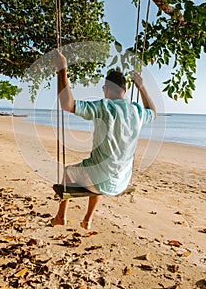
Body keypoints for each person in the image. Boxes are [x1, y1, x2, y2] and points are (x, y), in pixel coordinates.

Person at [51, 51, 156, 230]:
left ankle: (61, 216)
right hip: (121, 181)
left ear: (106, 89)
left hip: (100, 180)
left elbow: (67, 105)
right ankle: (88, 219)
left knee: (70, 172)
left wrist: (62, 70)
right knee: (97, 166)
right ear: (125, 90)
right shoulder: (137, 111)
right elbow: (153, 113)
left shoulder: (104, 106)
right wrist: (141, 87)